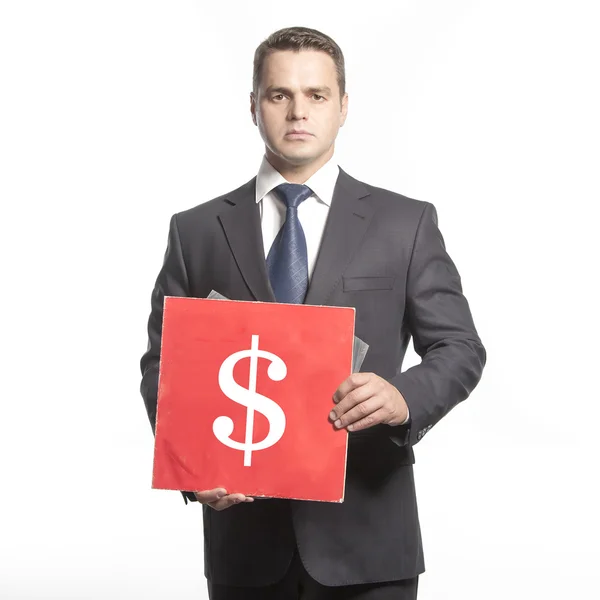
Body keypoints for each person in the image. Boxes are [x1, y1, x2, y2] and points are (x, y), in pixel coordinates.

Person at [140, 26, 486, 600]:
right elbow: (163, 368)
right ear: (254, 106)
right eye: (279, 95)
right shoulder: (196, 231)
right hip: (244, 544)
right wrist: (192, 467)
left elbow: (460, 349)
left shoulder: (406, 223)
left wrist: (405, 398)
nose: (298, 111)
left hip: (369, 539)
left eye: (317, 95)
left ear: (343, 106)